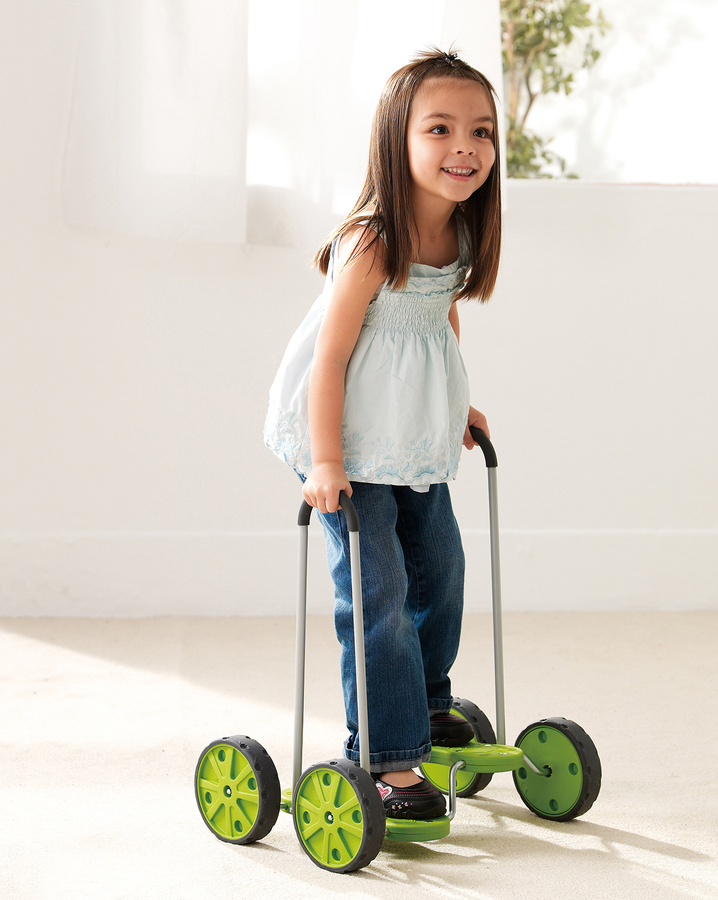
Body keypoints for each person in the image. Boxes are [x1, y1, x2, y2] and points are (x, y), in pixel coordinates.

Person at [264, 48, 502, 820]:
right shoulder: (371, 241)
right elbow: (330, 360)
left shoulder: (458, 233)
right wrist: (325, 459)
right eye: (440, 129)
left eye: (481, 131)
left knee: (442, 568)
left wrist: (455, 402)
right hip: (346, 438)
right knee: (380, 592)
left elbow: (437, 319)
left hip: (408, 435)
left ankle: (425, 702)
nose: (465, 147)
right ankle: (387, 754)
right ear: (396, 140)